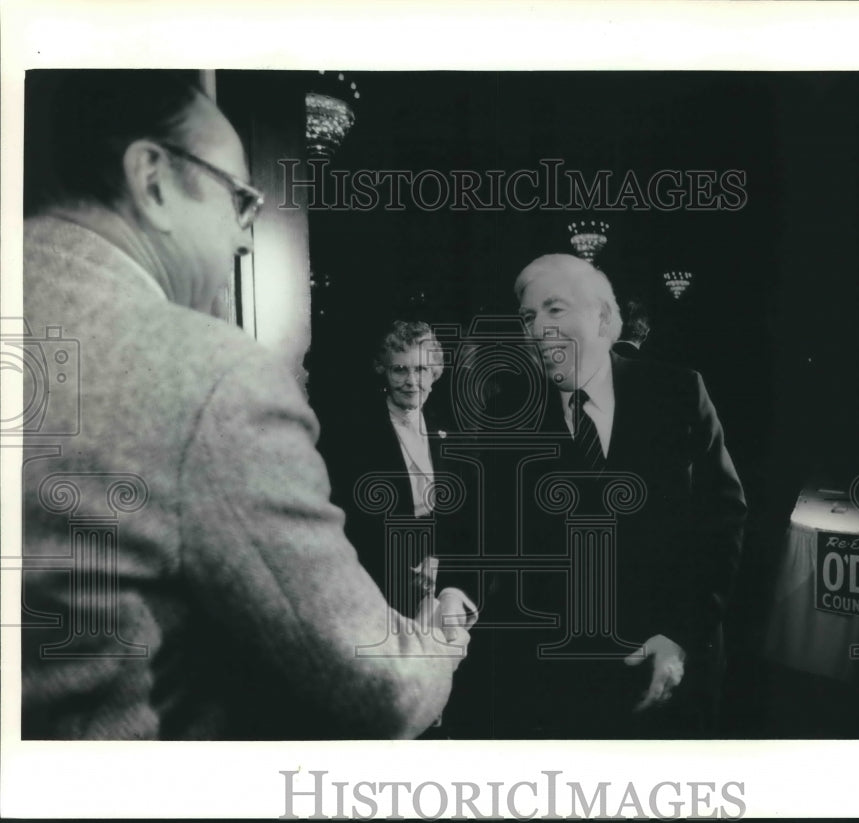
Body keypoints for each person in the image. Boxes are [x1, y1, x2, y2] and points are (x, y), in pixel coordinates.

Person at [19, 70, 468, 740]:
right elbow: (384, 689)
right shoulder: (211, 375)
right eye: (240, 199)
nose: (244, 237)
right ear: (152, 178)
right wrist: (441, 638)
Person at [499, 253, 747, 738]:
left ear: (604, 318)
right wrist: (455, 594)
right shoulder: (512, 412)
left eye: (555, 309)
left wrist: (680, 635)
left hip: (669, 661)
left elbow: (723, 521)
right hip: (561, 681)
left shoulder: (677, 393)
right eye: (528, 317)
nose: (538, 329)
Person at [321, 320, 478, 628]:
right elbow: (350, 524)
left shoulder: (452, 433)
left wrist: (440, 570)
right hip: (378, 586)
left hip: (442, 585)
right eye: (400, 370)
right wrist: (403, 571)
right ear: (384, 371)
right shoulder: (356, 435)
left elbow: (464, 522)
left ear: (434, 372)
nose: (411, 381)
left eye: (420, 370)